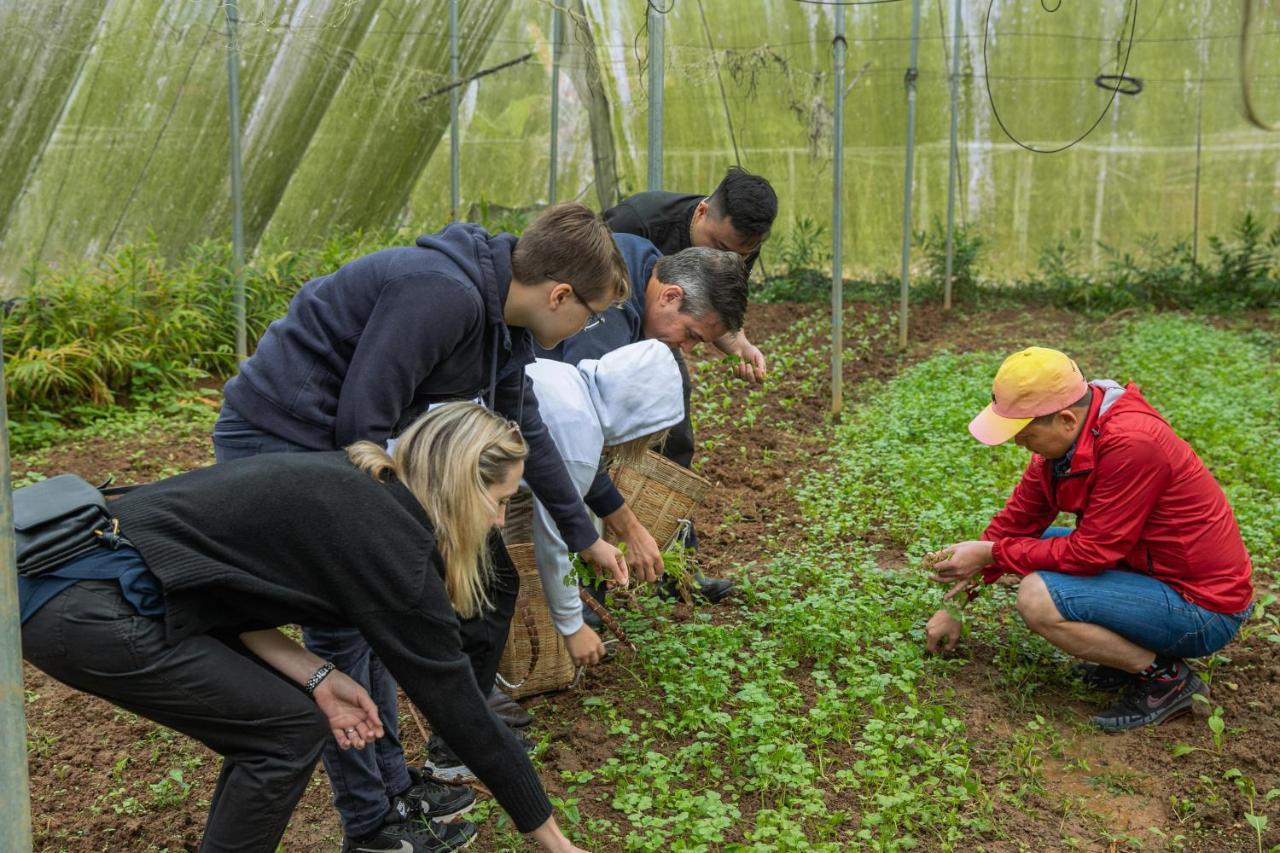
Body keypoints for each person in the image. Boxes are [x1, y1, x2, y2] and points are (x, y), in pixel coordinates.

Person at [211, 203, 628, 848]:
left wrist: (586, 533)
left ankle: (392, 790)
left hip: (334, 440)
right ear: (560, 293)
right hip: (280, 437)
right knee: (346, 624)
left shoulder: (502, 324)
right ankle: (370, 822)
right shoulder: (443, 294)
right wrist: (404, 530)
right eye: (589, 315)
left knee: (368, 624)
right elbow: (361, 424)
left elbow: (527, 430)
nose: (586, 329)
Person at [20, 403, 589, 853]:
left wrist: (317, 676)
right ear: (464, 483)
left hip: (74, 581)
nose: (496, 518)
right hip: (90, 605)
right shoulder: (395, 555)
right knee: (283, 734)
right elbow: (461, 709)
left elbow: (225, 596)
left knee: (281, 725)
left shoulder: (361, 487)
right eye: (498, 498)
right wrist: (556, 842)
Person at [923, 347, 1254, 732]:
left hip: (1203, 607)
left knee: (1037, 597)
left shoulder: (1133, 442)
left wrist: (992, 553)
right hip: (1147, 571)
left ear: (1065, 419)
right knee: (1032, 542)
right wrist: (957, 606)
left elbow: (1093, 552)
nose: (1020, 444)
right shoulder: (1067, 442)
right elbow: (1016, 524)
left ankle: (1166, 679)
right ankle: (1125, 657)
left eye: (1026, 434)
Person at [540, 236, 748, 608]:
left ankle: (670, 564)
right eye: (691, 336)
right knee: (577, 481)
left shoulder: (648, 264)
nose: (686, 349)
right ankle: (582, 596)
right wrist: (628, 527)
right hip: (523, 409)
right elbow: (578, 440)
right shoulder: (609, 313)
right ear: (670, 296)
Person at [527, 340, 686, 665]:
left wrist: (593, 543)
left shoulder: (565, 378)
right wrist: (572, 626)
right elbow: (554, 537)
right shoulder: (578, 436)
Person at [603, 165, 778, 383]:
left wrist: (740, 345)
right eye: (720, 246)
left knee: (674, 385)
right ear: (702, 212)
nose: (725, 259)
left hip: (664, 327)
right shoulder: (637, 221)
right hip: (605, 322)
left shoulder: (740, 249)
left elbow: (714, 303)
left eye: (740, 254)